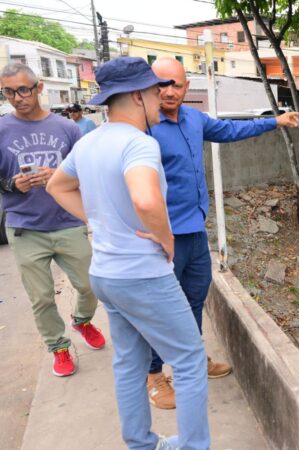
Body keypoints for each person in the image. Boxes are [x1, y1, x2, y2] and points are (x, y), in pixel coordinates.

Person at [47, 56, 209, 450]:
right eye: (156, 91)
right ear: (137, 96)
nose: (161, 99)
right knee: (189, 361)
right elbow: (146, 200)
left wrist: (98, 219)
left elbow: (57, 186)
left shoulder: (89, 142)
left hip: (107, 275)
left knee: (129, 363)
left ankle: (141, 443)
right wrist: (166, 239)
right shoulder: (140, 142)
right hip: (143, 274)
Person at [144, 57, 299, 409]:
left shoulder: (194, 119)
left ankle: (194, 360)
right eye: (161, 84)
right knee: (162, 307)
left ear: (187, 88)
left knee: (195, 298)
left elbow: (230, 131)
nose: (169, 91)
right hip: (163, 236)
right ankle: (154, 375)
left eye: (176, 84)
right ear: (150, 87)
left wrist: (274, 121)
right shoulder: (144, 126)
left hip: (195, 230)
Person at [0, 63, 105, 377]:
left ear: (39, 87)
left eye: (23, 89)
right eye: (8, 92)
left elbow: (89, 172)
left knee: (91, 285)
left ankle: (82, 320)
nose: (17, 97)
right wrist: (10, 185)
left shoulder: (67, 128)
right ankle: (59, 347)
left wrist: (59, 177)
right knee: (42, 297)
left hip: (68, 220)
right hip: (24, 226)